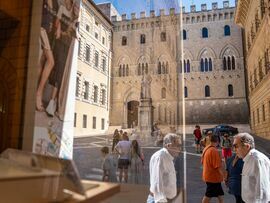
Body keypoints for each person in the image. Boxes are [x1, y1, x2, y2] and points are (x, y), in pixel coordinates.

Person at [233, 133, 270, 203]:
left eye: (236, 146)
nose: (234, 149)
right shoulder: (247, 159)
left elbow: (262, 190)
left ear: (247, 146)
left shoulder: (256, 160)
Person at [147, 133, 181, 203]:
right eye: (177, 146)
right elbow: (157, 182)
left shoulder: (168, 157)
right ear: (169, 145)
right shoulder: (161, 157)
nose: (180, 148)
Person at [201, 135, 224, 203]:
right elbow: (217, 166)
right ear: (217, 142)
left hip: (209, 176)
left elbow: (202, 161)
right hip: (213, 178)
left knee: (220, 194)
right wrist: (224, 177)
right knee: (208, 195)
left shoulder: (206, 148)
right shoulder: (214, 150)